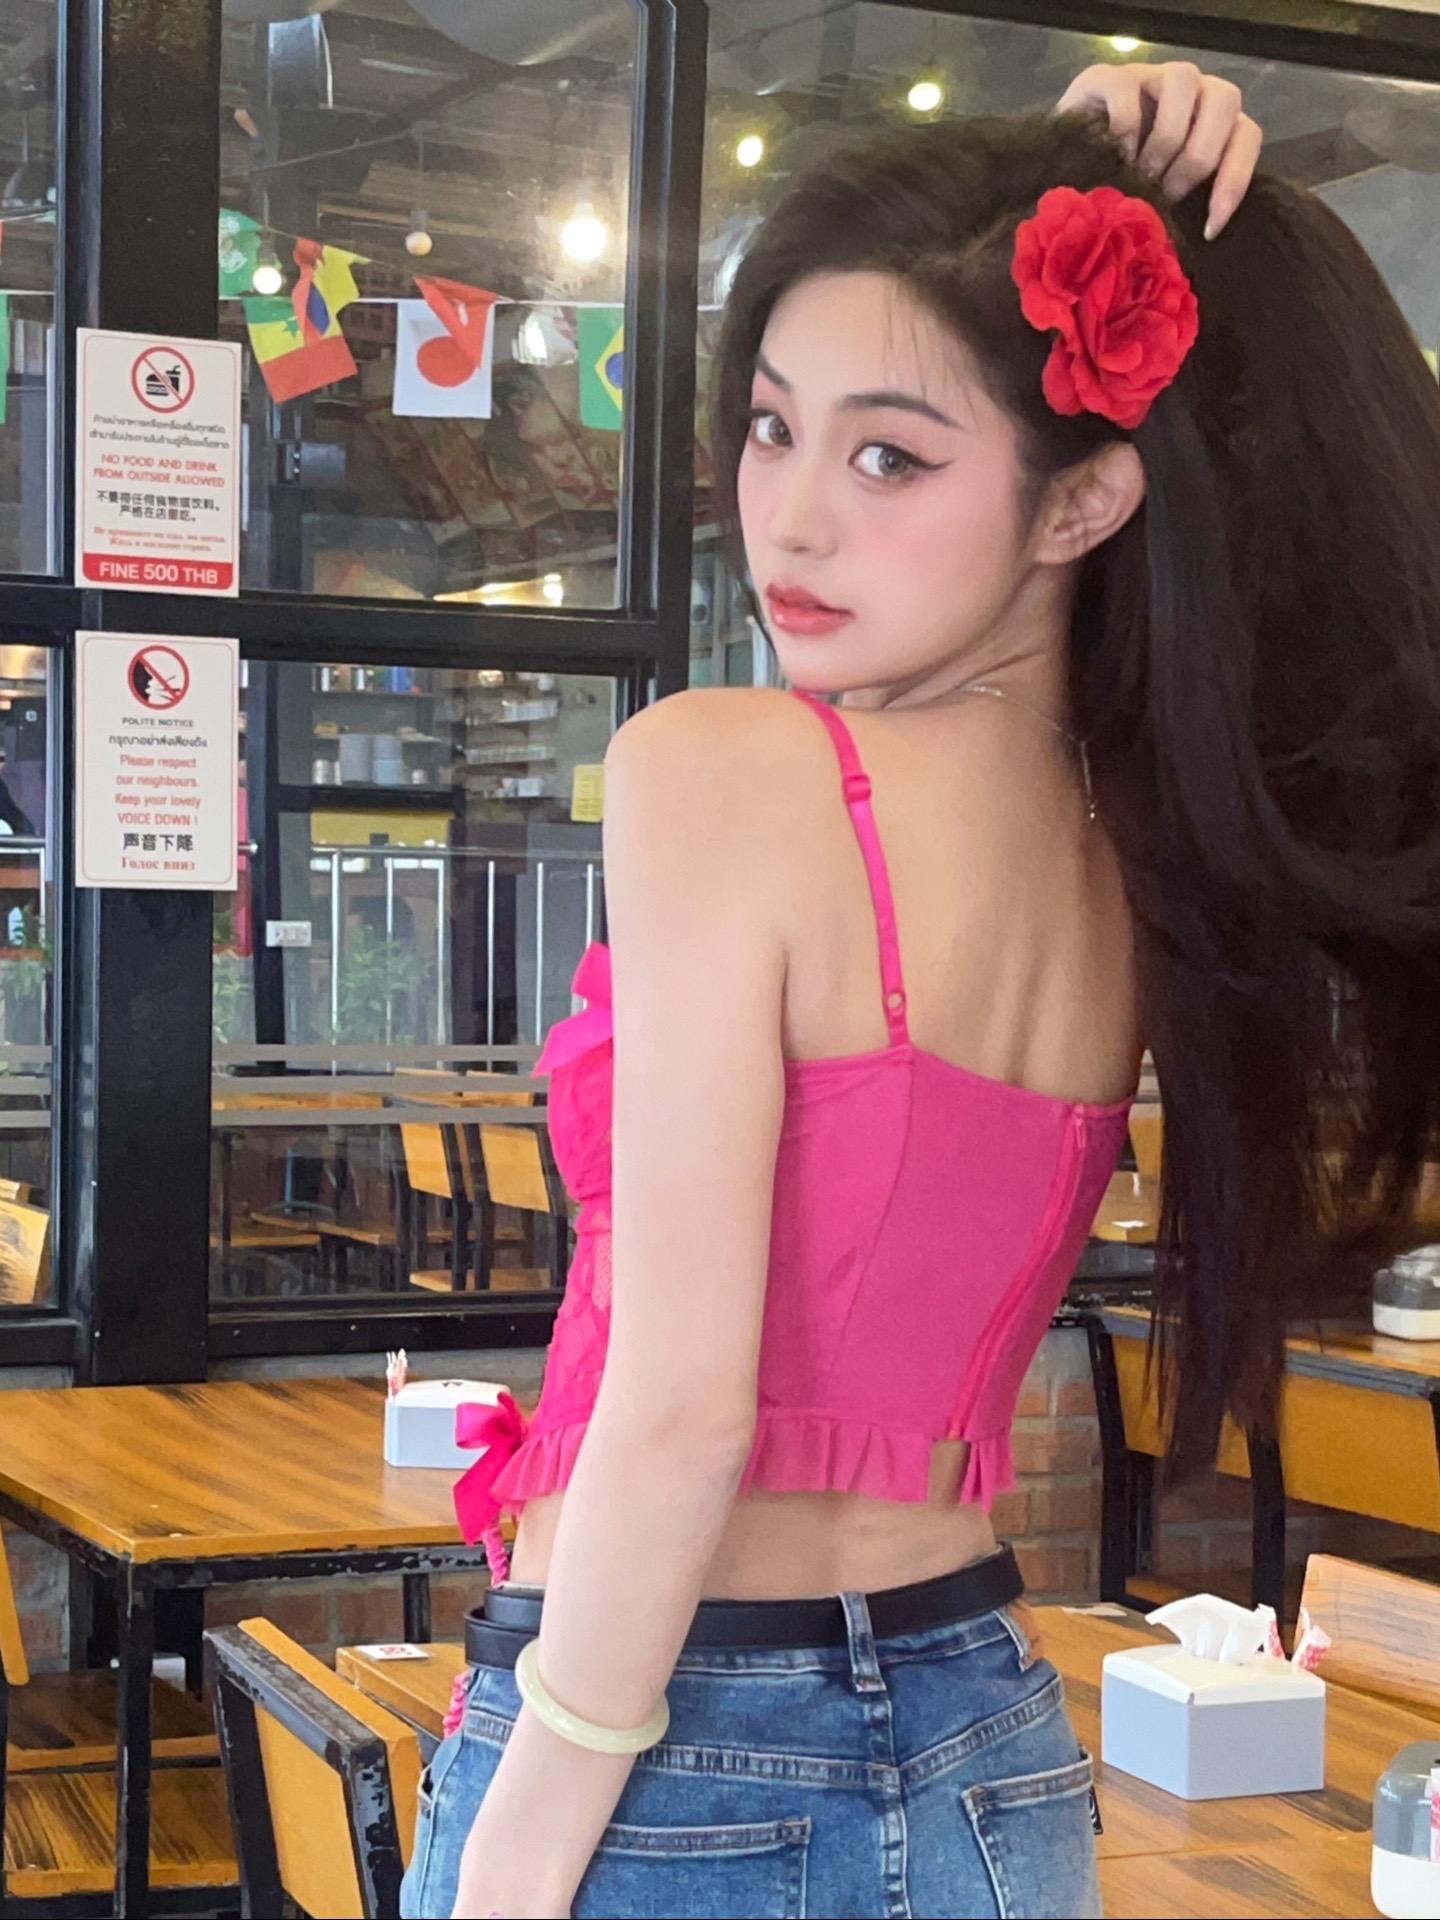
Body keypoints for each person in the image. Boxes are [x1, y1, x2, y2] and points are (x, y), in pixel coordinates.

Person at [404, 52, 1439, 1920]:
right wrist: (1065, 174)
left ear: (1082, 502)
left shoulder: (720, 772)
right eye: (773, 426)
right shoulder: (1144, 851)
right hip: (986, 1754)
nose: (791, 518)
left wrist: (524, 1844)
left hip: (664, 1753)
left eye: (890, 455)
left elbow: (687, 1409)